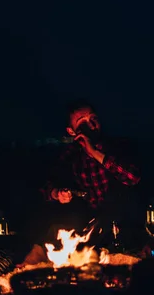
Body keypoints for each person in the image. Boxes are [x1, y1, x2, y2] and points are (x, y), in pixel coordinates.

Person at [19, 99, 142, 266]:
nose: (91, 124)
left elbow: (132, 177)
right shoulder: (71, 155)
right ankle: (34, 259)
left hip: (120, 221)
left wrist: (94, 152)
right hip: (89, 223)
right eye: (82, 122)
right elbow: (46, 187)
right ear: (72, 131)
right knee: (58, 224)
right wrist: (57, 193)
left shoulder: (115, 147)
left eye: (93, 118)